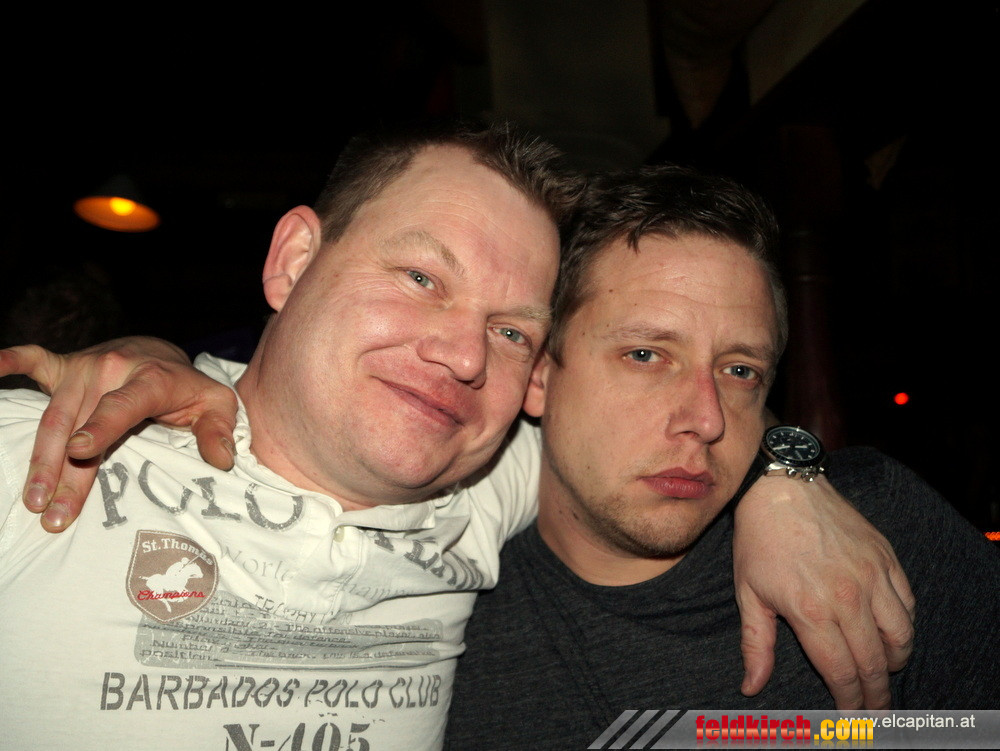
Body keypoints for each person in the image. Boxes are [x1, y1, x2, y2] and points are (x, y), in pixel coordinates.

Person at [0, 121, 914, 750]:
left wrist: (786, 475)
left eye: (511, 330)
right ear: (294, 260)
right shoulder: (43, 452)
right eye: (421, 278)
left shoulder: (490, 478)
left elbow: (674, 416)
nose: (462, 355)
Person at [442, 166, 1000, 749]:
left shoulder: (879, 533)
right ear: (539, 375)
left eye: (739, 371)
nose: (707, 420)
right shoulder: (443, 621)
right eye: (645, 355)